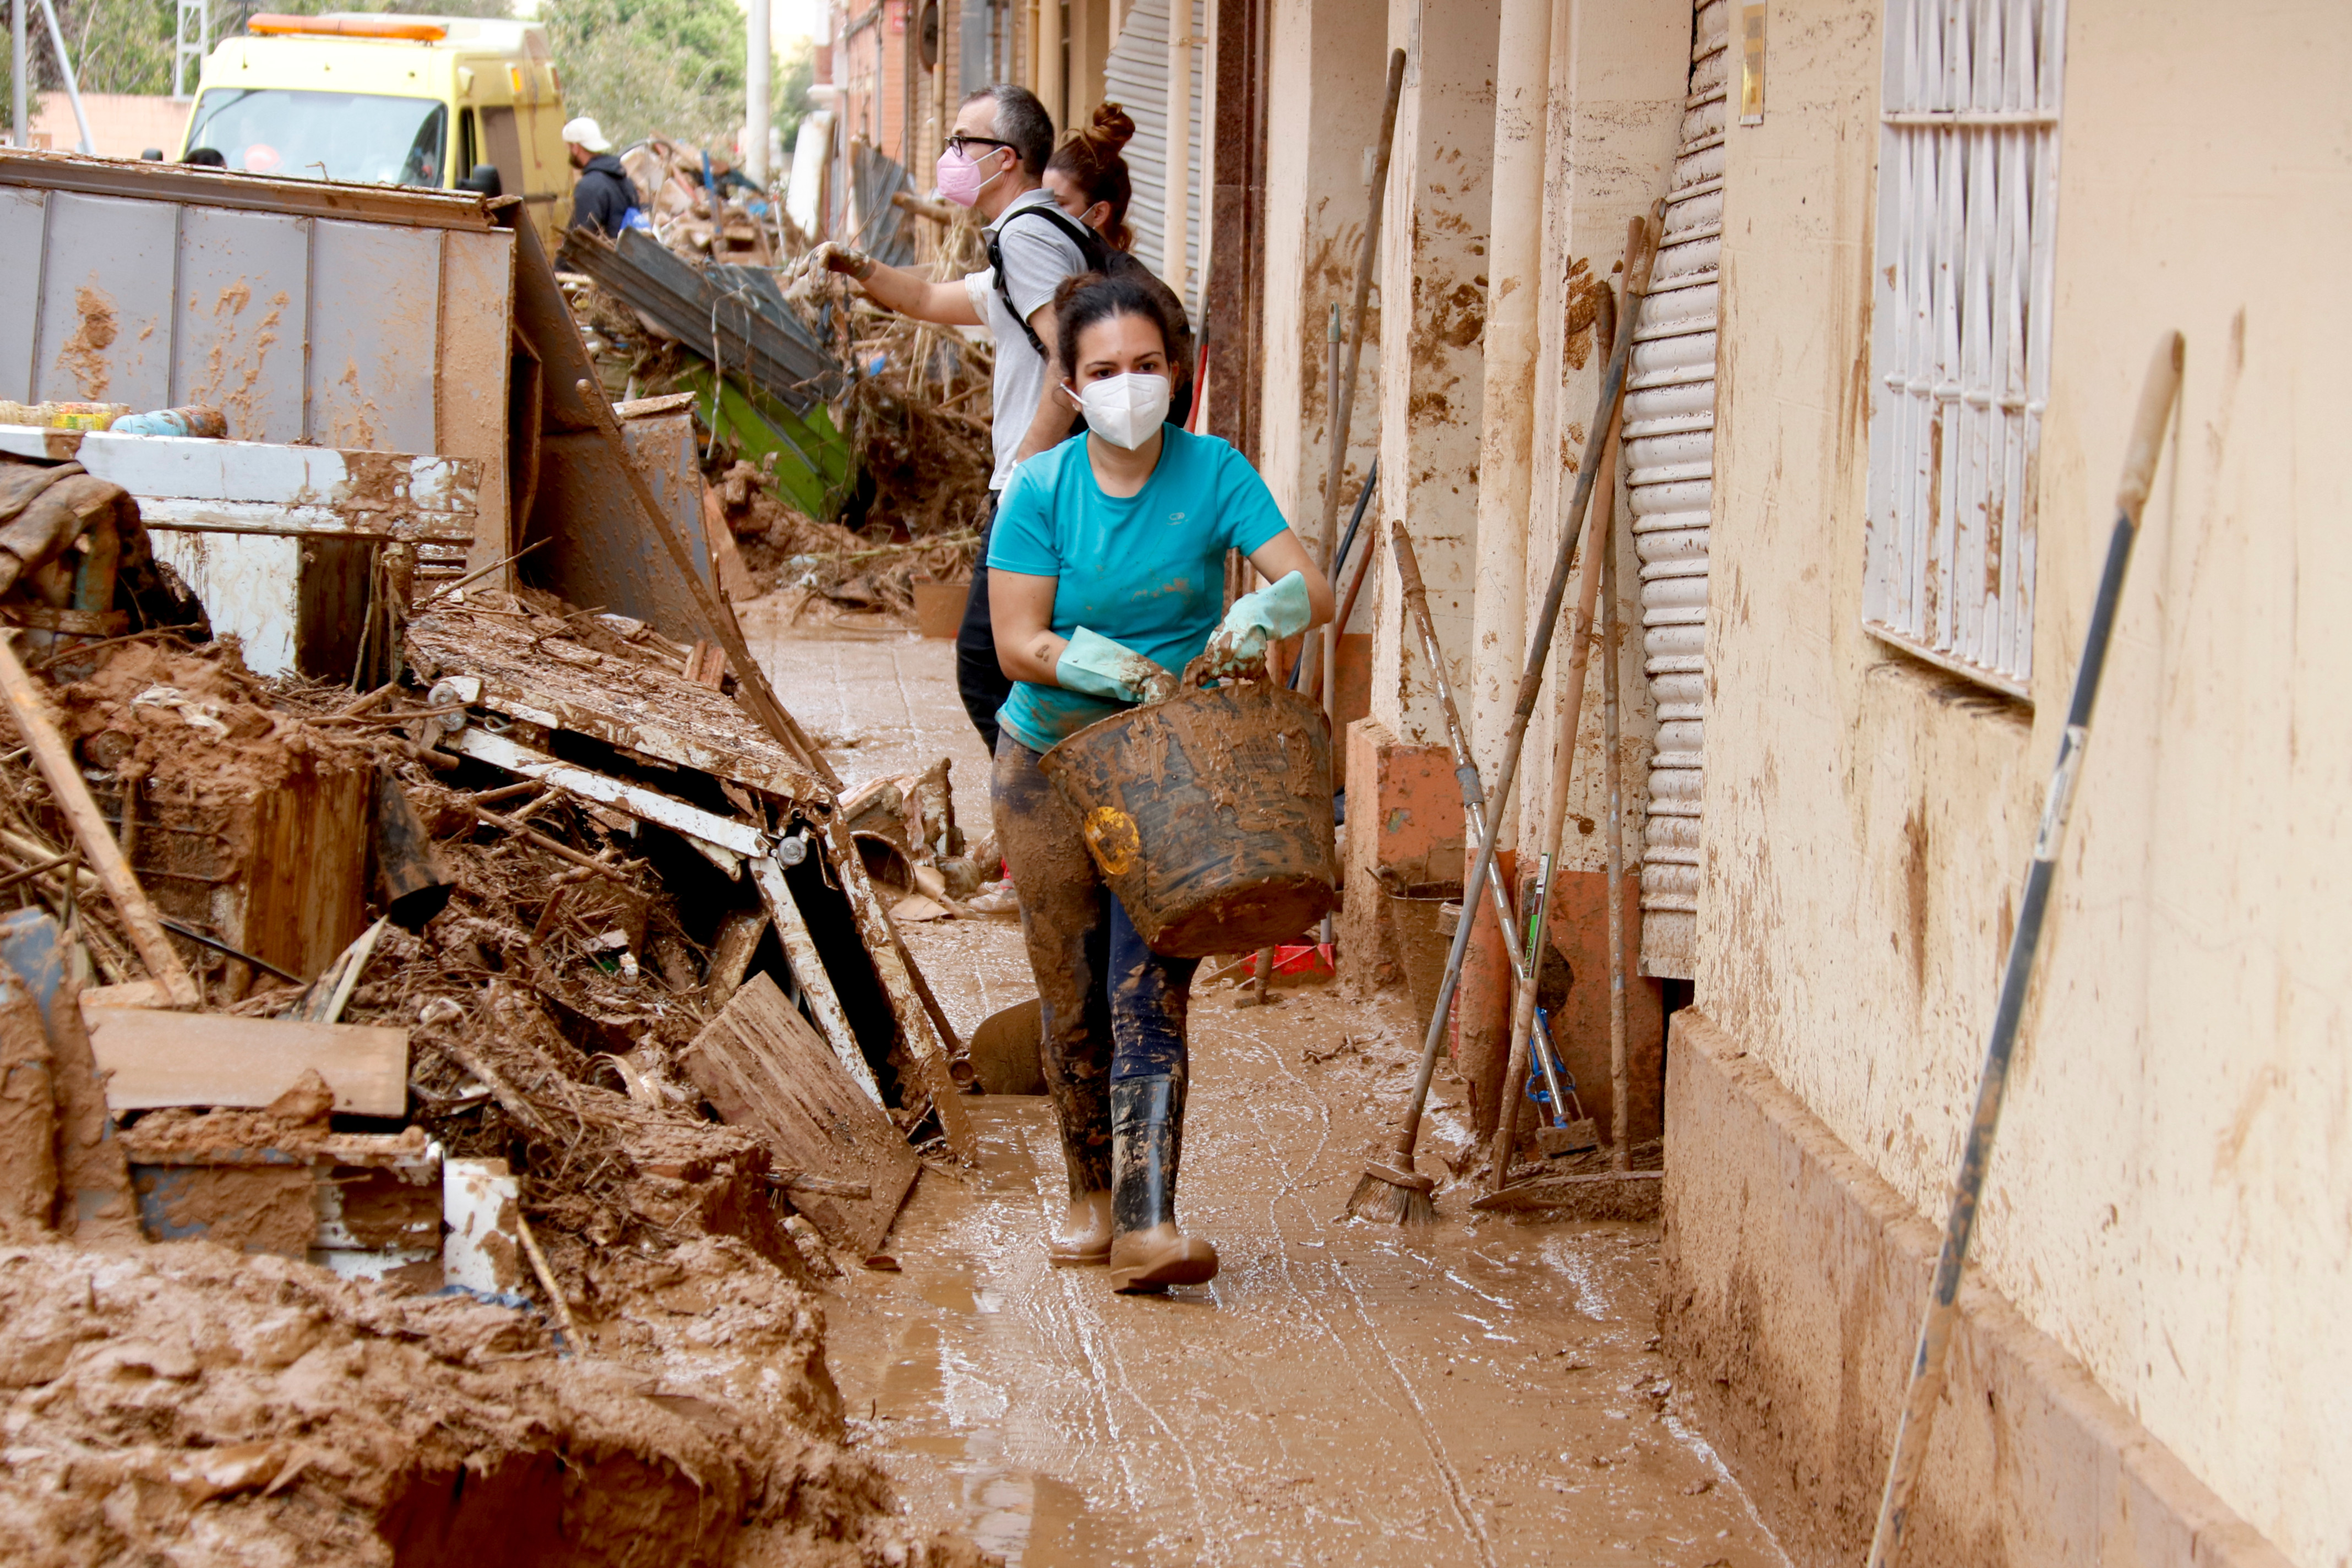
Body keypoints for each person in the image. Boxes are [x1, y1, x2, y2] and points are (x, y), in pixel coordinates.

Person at [987, 270, 1331, 1293]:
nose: (1127, 385)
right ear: (1071, 381)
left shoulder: (1213, 471)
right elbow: (1015, 641)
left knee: (1150, 985)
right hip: (1048, 764)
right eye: (1104, 370)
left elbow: (1305, 582)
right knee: (1072, 991)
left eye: (1146, 366)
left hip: (1170, 775)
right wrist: (1103, 665)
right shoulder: (1041, 489)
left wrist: (1258, 616)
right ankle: (1088, 1190)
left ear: (1176, 373)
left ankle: (1148, 1219)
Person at [799, 85, 1088, 755]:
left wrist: (1023, 476)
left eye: (964, 142)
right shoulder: (1038, 235)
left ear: (1006, 158)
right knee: (1019, 671)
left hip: (1037, 485)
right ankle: (1051, 830)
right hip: (1050, 481)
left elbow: (1068, 366)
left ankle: (1049, 825)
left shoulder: (1028, 239)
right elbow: (931, 296)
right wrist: (857, 264)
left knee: (986, 672)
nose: (951, 155)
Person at [1041, 102, 1196, 426]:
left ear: (1098, 213)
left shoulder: (1141, 295)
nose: (1043, 218)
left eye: (1057, 206)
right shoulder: (1058, 269)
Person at [564, 117, 635, 238]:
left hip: (608, 256)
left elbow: (580, 239)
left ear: (575, 148)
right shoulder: (622, 178)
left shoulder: (589, 187)